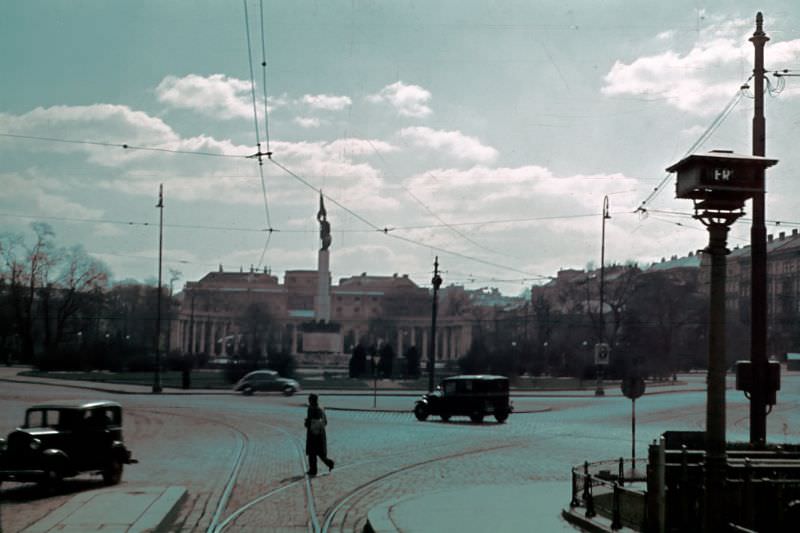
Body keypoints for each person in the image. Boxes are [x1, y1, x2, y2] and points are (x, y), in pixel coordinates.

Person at [305, 393, 334, 476]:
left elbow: (315, 422)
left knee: (314, 453)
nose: (309, 401)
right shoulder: (317, 408)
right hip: (317, 433)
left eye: (310, 399)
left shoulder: (315, 409)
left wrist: (308, 423)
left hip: (315, 433)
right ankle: (314, 469)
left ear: (312, 400)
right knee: (316, 453)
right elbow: (325, 422)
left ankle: (314, 470)